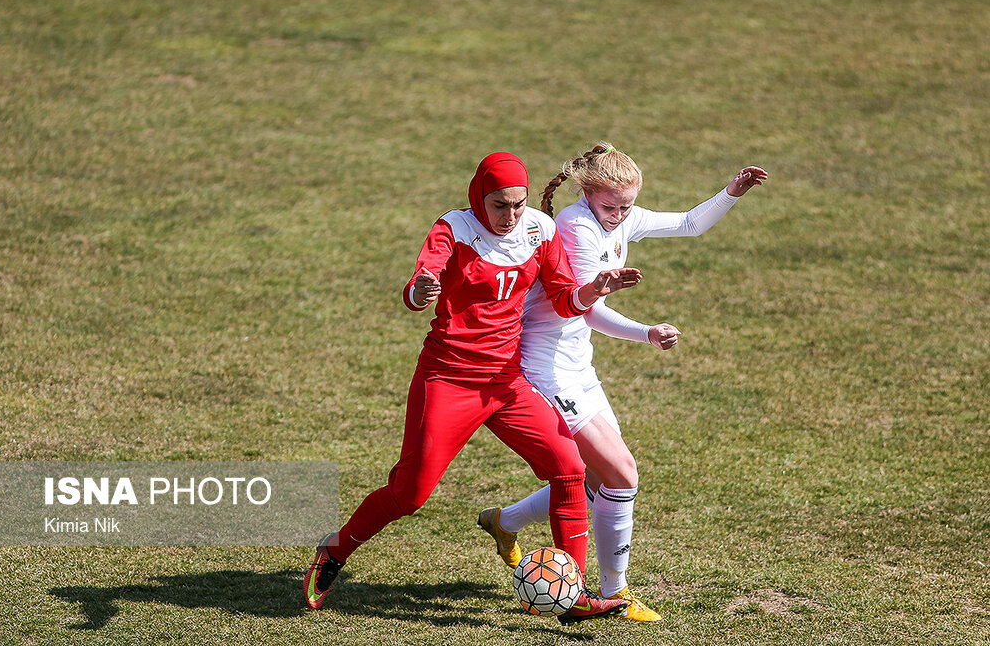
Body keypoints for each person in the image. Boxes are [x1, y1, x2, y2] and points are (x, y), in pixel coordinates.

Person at [305, 151, 647, 624]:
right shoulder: (454, 229)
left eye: (519, 205)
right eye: (499, 205)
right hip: (448, 379)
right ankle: (335, 549)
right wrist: (419, 291)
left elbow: (566, 300)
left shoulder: (540, 232)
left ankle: (576, 593)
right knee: (411, 494)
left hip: (507, 383)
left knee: (570, 470)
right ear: (478, 198)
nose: (510, 216)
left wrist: (596, 288)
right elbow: (419, 282)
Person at [477, 142, 767, 621]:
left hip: (578, 366)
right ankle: (617, 590)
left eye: (627, 206)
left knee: (598, 480)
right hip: (545, 369)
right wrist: (646, 333)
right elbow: (588, 309)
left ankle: (503, 522)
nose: (618, 215)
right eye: (610, 206)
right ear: (587, 193)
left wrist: (731, 192)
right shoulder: (575, 227)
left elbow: (689, 224)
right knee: (622, 475)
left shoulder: (622, 215)